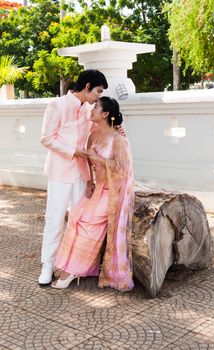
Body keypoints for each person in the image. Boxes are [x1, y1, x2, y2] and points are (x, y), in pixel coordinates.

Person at [51, 97, 134, 292]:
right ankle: (73, 267)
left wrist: (99, 159)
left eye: (96, 107)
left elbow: (122, 170)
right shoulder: (93, 136)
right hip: (98, 188)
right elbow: (88, 162)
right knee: (75, 217)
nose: (92, 109)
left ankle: (72, 271)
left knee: (89, 224)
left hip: (113, 192)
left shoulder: (119, 139)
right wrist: (89, 181)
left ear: (105, 114)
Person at [39, 70, 108, 286]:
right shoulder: (57, 105)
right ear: (87, 86)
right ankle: (48, 265)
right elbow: (46, 139)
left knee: (79, 221)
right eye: (98, 91)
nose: (99, 96)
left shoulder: (90, 110)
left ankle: (72, 265)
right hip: (60, 171)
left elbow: (100, 132)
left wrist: (118, 128)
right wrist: (74, 152)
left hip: (82, 173)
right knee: (55, 219)